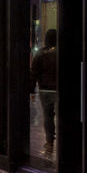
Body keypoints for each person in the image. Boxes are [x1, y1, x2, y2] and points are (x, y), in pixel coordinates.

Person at [30, 29, 58, 157]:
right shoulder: (61, 52)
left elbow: (34, 73)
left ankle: (49, 142)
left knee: (48, 117)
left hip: (45, 90)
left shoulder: (40, 54)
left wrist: (31, 91)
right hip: (58, 89)